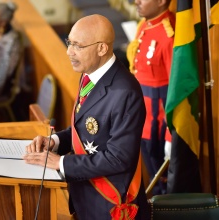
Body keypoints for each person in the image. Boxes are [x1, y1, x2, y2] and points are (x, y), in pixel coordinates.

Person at [23, 14, 148, 220]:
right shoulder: (90, 73)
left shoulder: (125, 92)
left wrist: (61, 163)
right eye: (69, 42)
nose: (69, 52)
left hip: (108, 203)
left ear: (101, 48)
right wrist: (54, 142)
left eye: (78, 46)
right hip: (85, 196)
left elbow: (119, 158)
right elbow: (88, 130)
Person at [126, 0, 175, 195]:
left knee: (163, 186)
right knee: (152, 180)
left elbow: (175, 89)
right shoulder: (145, 25)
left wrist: (171, 135)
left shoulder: (169, 34)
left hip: (159, 126)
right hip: (142, 119)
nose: (136, 1)